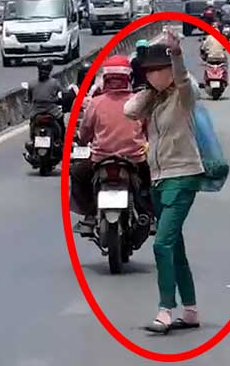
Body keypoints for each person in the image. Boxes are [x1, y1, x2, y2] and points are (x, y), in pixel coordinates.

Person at [125, 30, 205, 335]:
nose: (155, 74)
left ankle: (165, 310)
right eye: (150, 71)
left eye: (159, 69)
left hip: (183, 175)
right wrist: (150, 89)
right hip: (158, 178)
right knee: (176, 247)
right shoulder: (155, 100)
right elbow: (128, 111)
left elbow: (185, 82)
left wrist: (177, 57)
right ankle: (191, 310)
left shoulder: (184, 96)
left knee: (162, 244)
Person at [71, 55, 150, 235]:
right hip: (134, 159)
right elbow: (148, 129)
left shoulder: (95, 103)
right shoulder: (139, 101)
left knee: (77, 174)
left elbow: (85, 131)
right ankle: (148, 213)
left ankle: (89, 215)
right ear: (128, 78)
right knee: (151, 180)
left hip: (100, 159)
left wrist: (82, 141)